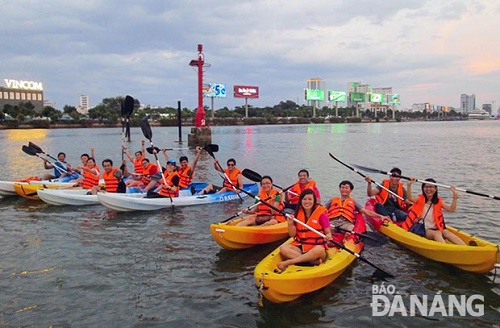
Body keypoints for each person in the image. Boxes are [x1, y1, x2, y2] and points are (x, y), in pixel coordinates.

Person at [277, 189, 332, 271]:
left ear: (314, 201)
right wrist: (290, 224)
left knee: (319, 249)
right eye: (304, 199)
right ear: (301, 200)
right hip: (300, 247)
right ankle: (311, 262)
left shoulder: (322, 214)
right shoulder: (297, 213)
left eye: (310, 199)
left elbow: (328, 232)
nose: (307, 202)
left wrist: (328, 236)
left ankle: (289, 262)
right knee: (283, 248)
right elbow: (292, 235)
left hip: (315, 249)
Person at [402, 178, 465, 245]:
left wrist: (455, 196)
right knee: (437, 234)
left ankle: (465, 248)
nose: (428, 189)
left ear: (435, 189)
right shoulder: (419, 199)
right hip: (423, 228)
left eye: (431, 187)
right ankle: (445, 249)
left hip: (436, 227)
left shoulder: (438, 201)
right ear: (423, 189)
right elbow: (410, 198)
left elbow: (452, 209)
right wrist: (409, 185)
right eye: (426, 187)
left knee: (446, 232)